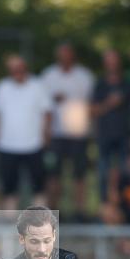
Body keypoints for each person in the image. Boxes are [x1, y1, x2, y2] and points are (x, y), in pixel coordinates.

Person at [39, 43, 95, 215]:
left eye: (68, 55)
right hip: (55, 134)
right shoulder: (48, 76)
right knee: (53, 175)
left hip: (79, 133)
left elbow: (92, 104)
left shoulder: (85, 76)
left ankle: (80, 212)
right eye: (61, 55)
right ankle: (54, 212)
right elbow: (41, 105)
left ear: (73, 56)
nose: (65, 59)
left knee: (80, 175)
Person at [0, 55, 51, 210]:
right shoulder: (1, 87)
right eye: (12, 68)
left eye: (19, 67)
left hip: (34, 145)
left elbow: (47, 113)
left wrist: (45, 136)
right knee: (9, 189)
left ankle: (40, 228)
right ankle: (10, 227)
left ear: (25, 67)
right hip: (7, 145)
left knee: (39, 187)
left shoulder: (38, 86)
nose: (16, 71)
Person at [92, 49, 130, 203]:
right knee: (103, 173)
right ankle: (104, 207)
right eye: (109, 60)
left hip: (125, 135)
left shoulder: (128, 84)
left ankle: (123, 207)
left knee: (125, 173)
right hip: (104, 135)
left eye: (114, 60)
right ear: (105, 63)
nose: (111, 64)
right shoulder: (100, 84)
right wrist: (109, 103)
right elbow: (93, 111)